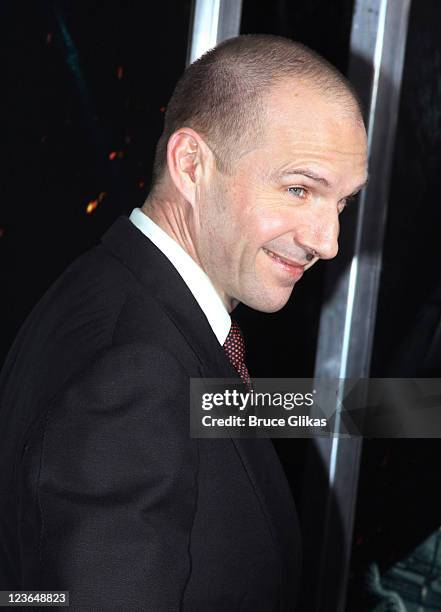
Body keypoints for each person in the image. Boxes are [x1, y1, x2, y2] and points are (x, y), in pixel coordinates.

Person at [0, 34, 367, 610]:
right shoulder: (134, 368)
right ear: (191, 165)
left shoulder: (123, 289)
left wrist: (415, 408)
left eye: (341, 203)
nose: (328, 241)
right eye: (299, 189)